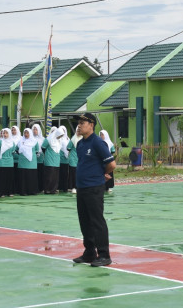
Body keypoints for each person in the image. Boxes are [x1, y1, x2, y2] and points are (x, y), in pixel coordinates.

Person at [73, 113, 116, 267]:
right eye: (79, 122)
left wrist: (101, 175)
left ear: (91, 125)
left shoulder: (98, 142)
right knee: (84, 222)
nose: (79, 125)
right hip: (82, 187)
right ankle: (90, 252)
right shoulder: (81, 144)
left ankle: (104, 254)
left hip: (94, 188)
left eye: (82, 122)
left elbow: (112, 164)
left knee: (97, 221)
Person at [15, 128, 39, 195]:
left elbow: (37, 150)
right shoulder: (20, 141)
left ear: (30, 133)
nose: (26, 134)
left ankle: (32, 191)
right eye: (25, 133)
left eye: (27, 133)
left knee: (31, 177)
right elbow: (16, 149)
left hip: (32, 163)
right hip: (22, 162)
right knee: (23, 178)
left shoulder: (34, 141)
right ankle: (23, 191)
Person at [0, 128, 16, 197]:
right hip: (1, 162)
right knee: (1, 178)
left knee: (9, 178)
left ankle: (9, 192)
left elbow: (13, 152)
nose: (5, 135)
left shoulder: (12, 143)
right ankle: (1, 193)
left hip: (9, 162)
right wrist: (0, 159)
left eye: (6, 133)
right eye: (4, 133)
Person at [42, 127, 64, 194]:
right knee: (49, 176)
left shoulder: (59, 141)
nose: (60, 137)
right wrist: (48, 155)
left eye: (61, 135)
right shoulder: (48, 140)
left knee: (55, 177)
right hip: (49, 160)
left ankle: (53, 190)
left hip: (56, 161)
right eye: (60, 135)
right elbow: (43, 147)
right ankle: (47, 189)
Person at [67, 127, 82, 193]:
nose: (78, 133)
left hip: (80, 159)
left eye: (79, 131)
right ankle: (73, 187)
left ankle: (79, 186)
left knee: (79, 173)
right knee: (73, 173)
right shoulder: (73, 139)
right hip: (73, 158)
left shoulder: (83, 139)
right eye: (77, 131)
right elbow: (68, 148)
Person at [32, 124, 45, 192]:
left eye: (36, 129)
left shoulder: (42, 139)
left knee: (40, 173)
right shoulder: (31, 139)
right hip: (33, 158)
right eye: (33, 129)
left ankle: (41, 188)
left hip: (40, 157)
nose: (34, 131)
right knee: (34, 174)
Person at [59, 125, 70, 192]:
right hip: (59, 160)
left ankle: (65, 188)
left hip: (66, 160)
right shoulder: (58, 139)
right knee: (59, 174)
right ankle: (59, 187)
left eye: (63, 130)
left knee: (65, 174)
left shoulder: (68, 139)